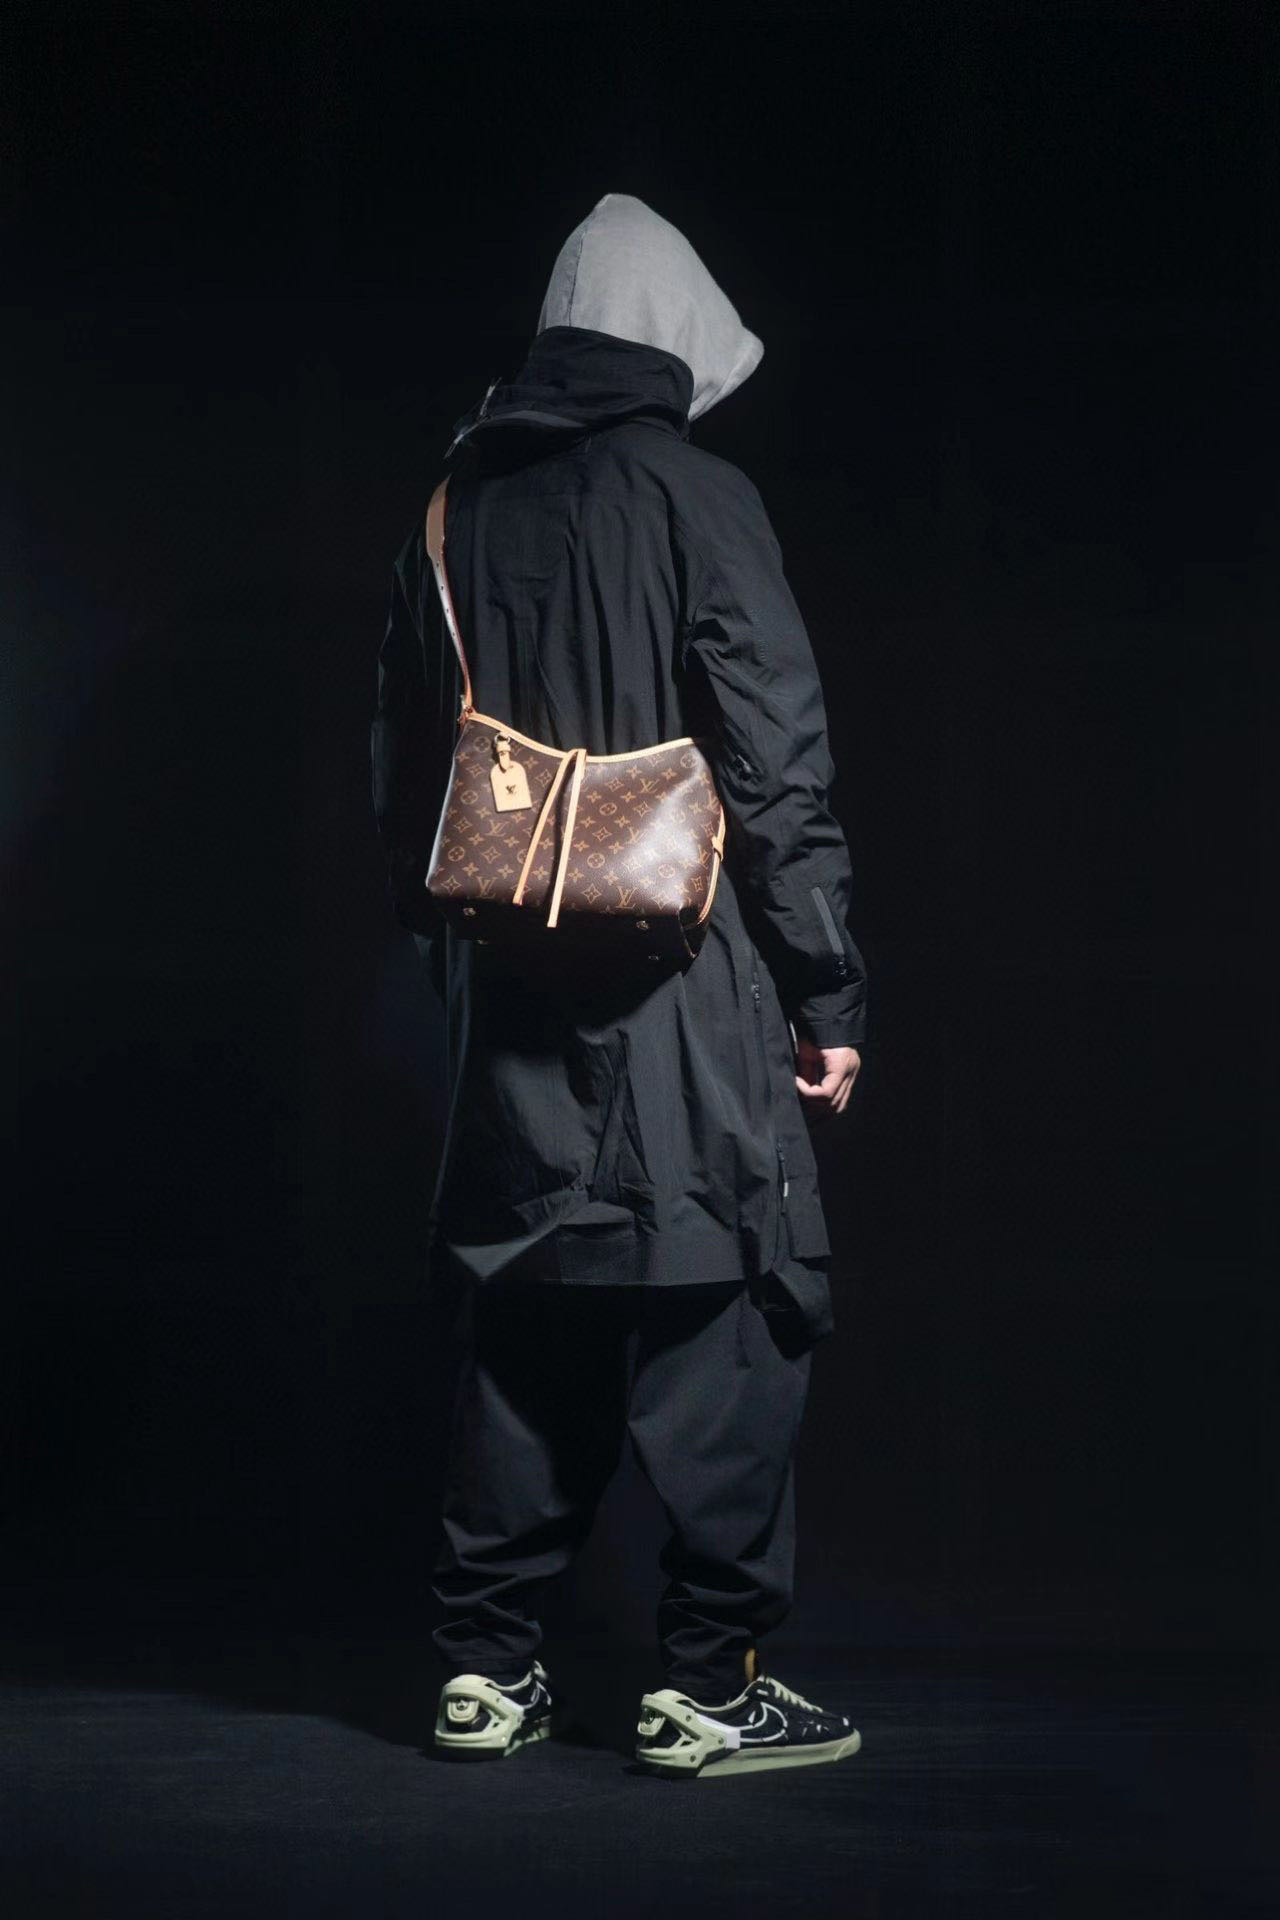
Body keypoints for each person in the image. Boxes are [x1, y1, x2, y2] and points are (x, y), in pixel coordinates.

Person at [371, 192, 868, 1779]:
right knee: (730, 1307)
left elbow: (408, 767)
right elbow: (775, 765)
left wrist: (453, 957)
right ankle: (710, 1684)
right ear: (670, 339)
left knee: (525, 1319)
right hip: (692, 988)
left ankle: (483, 1670)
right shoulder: (699, 496)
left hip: (511, 992)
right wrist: (828, 994)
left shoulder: (455, 502)